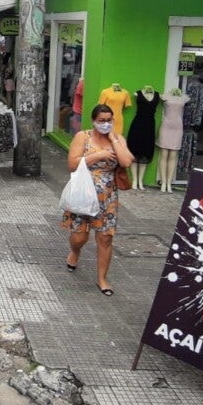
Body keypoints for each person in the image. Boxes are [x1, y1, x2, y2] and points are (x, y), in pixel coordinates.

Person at [63, 104, 134, 297]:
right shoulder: (83, 137)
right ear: (94, 121)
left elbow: (126, 162)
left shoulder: (118, 139)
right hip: (83, 194)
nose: (105, 124)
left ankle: (102, 278)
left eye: (109, 120)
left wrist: (113, 139)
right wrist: (98, 155)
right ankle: (75, 252)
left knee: (105, 238)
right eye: (101, 121)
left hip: (107, 197)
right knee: (79, 237)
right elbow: (72, 164)